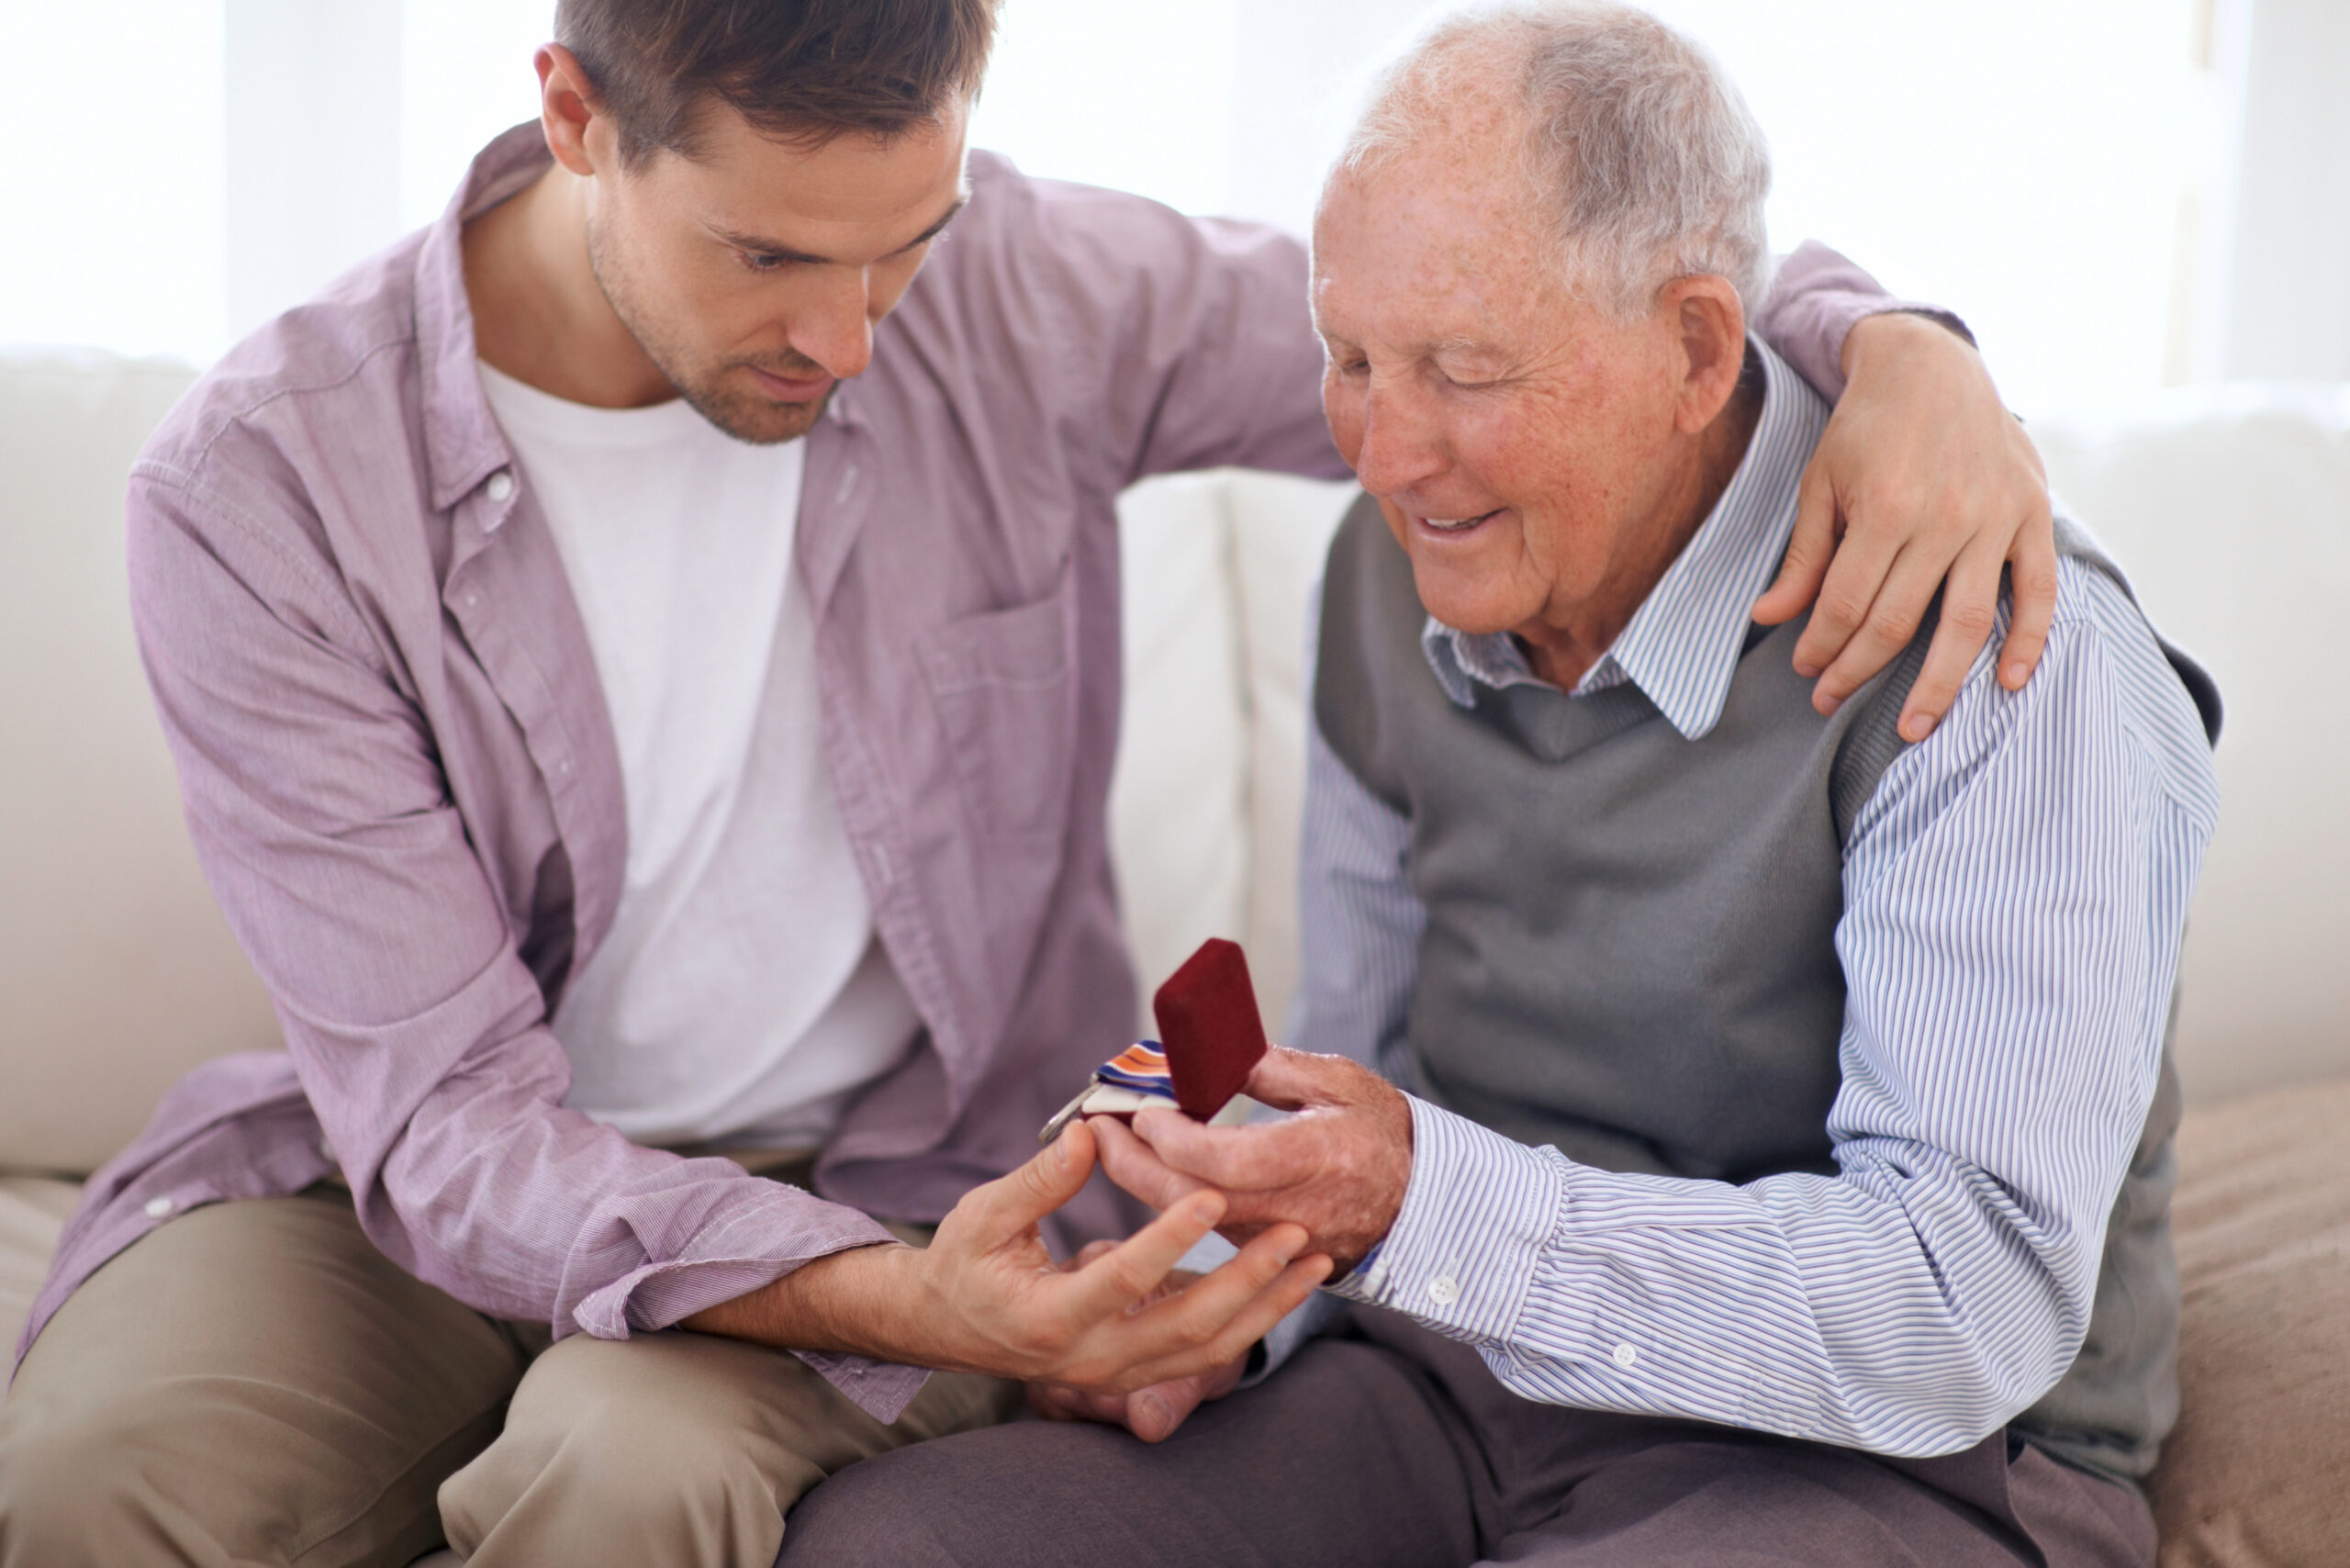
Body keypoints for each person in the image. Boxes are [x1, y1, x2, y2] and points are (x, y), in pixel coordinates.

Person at [0, 1, 2059, 1564]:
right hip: (401, 1187)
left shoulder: (1018, 294)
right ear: (573, 119)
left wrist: (1895, 347)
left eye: (902, 244)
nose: (851, 337)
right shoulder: (266, 489)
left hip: (902, 1164)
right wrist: (916, 1308)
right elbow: (449, 1130)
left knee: (626, 1467)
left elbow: (1504, 319)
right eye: (767, 258)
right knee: (101, 1474)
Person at [773, 5, 2221, 1566]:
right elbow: (1375, 1056)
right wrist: (1220, 1311)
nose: (1384, 454)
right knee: (894, 1548)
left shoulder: (1988, 647)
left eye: (1463, 369)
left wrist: (1418, 1205)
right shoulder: (1390, 569)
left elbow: (1961, 1303)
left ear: (1695, 350)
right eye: (1347, 359)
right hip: (1451, 1383)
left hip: (1905, 1462)